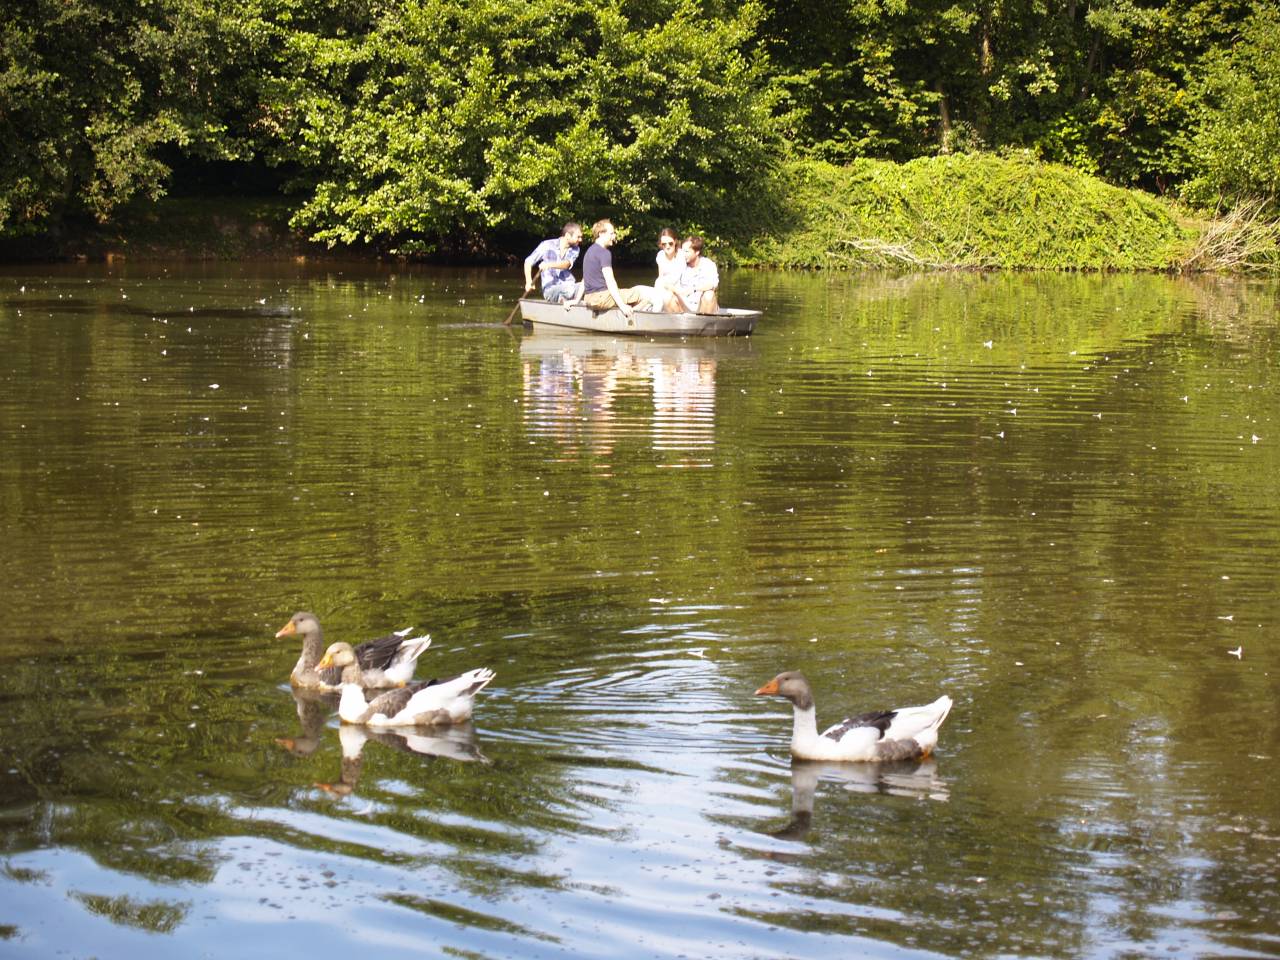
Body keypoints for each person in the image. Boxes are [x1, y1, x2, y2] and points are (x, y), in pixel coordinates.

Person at [581, 219, 659, 316]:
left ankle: (628, 311)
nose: (614, 236)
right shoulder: (604, 253)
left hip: (588, 299)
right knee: (642, 295)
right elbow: (610, 281)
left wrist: (576, 300)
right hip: (602, 298)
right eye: (611, 233)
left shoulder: (589, 251)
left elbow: (584, 279)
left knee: (627, 293)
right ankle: (629, 315)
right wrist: (622, 306)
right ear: (601, 234)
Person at [523, 222, 583, 304]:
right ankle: (563, 301)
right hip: (551, 289)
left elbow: (567, 264)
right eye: (578, 237)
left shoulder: (576, 249)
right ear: (567, 235)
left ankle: (570, 302)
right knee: (568, 290)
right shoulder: (546, 245)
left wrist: (548, 265)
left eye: (581, 237)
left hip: (569, 286)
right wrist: (528, 281)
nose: (580, 240)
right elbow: (528, 262)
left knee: (588, 284)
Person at [673, 235, 719, 315]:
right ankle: (676, 321)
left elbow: (713, 285)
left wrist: (694, 289)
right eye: (682, 251)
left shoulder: (708, 264)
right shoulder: (680, 264)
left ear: (697, 252)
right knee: (669, 295)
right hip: (685, 305)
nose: (683, 254)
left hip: (702, 305)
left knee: (709, 295)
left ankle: (705, 321)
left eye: (686, 251)